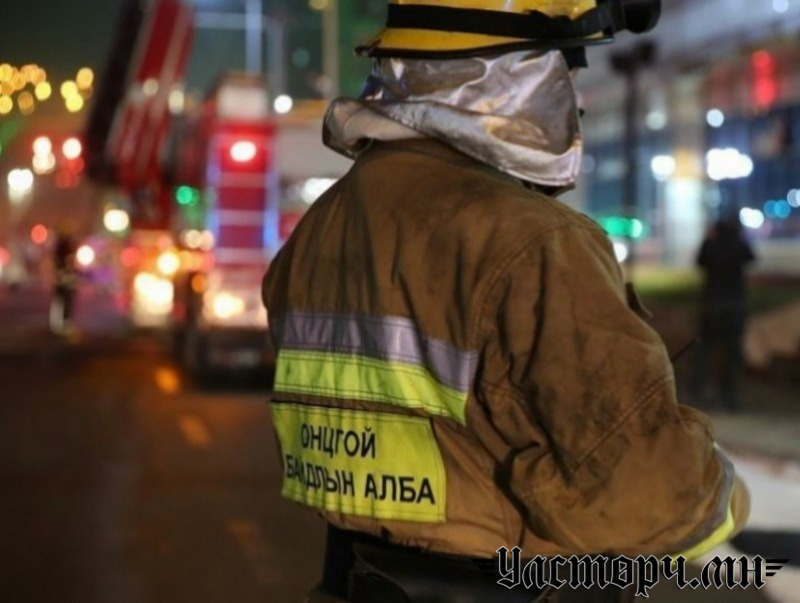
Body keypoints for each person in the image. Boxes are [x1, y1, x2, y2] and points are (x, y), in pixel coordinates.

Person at [262, 1, 750, 600]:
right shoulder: (533, 241)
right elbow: (644, 491)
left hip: (351, 581)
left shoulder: (323, 224)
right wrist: (721, 492)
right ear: (515, 76)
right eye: (566, 72)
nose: (575, 100)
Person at [692, 217, 756, 412]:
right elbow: (751, 258)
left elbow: (700, 261)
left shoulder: (711, 243)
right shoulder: (738, 243)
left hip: (712, 303)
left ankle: (700, 391)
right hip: (734, 304)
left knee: (705, 350)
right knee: (731, 351)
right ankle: (728, 395)